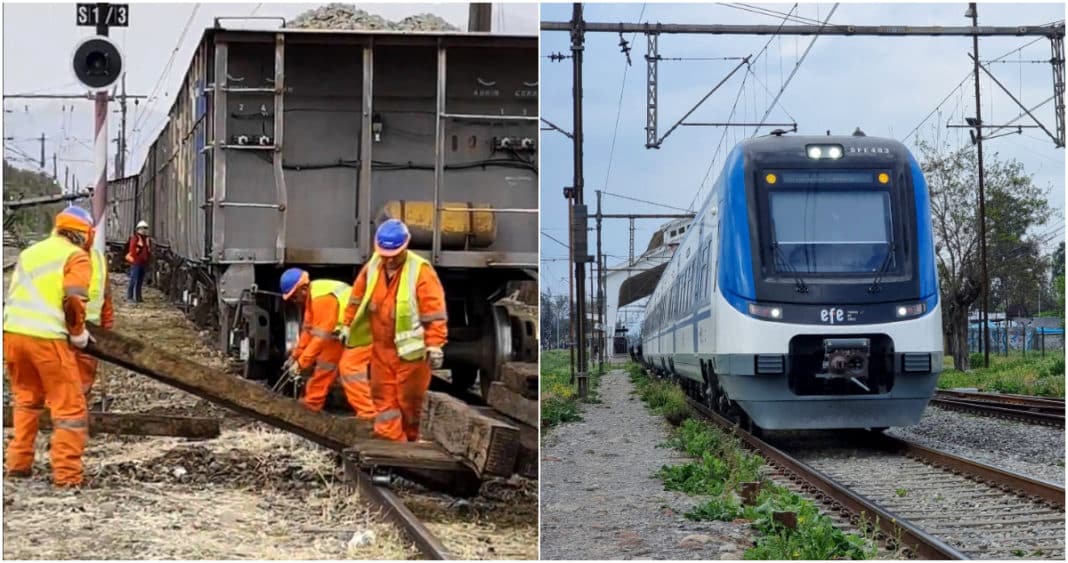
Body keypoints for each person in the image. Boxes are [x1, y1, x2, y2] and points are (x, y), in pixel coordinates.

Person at [3, 207, 94, 486]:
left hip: (13, 334)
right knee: (69, 408)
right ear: (84, 235)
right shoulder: (75, 256)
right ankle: (67, 477)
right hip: (46, 339)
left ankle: (18, 464)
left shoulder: (30, 253)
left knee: (27, 401)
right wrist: (78, 334)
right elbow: (74, 301)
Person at [342, 219, 448, 442]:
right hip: (381, 351)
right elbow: (356, 299)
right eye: (385, 253)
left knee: (411, 404)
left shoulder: (420, 271)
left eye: (395, 254)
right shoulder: (372, 267)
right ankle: (392, 449)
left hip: (411, 356)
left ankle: (411, 445)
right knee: (384, 402)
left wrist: (435, 344)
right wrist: (346, 324)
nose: (389, 259)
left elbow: (434, 313)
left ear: (406, 246)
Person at [281, 268, 375, 419]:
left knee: (349, 369)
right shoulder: (312, 299)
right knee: (325, 365)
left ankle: (369, 417)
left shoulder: (322, 299)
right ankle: (310, 408)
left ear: (303, 289)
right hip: (345, 332)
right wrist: (294, 357)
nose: (294, 300)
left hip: (365, 329)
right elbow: (308, 332)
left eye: (294, 296)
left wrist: (300, 365)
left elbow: (320, 339)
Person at [78, 225, 115, 403]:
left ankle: (78, 409)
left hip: (91, 329)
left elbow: (106, 295)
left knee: (85, 375)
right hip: (62, 328)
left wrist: (106, 328)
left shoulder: (98, 259)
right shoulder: (60, 257)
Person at [125, 220, 151, 303]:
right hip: (136, 263)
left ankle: (139, 297)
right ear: (138, 229)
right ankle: (130, 297)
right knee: (133, 280)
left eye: (145, 228)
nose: (144, 230)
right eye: (142, 228)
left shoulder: (146, 239)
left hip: (143, 263)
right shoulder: (135, 238)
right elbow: (132, 250)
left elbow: (148, 251)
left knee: (140, 281)